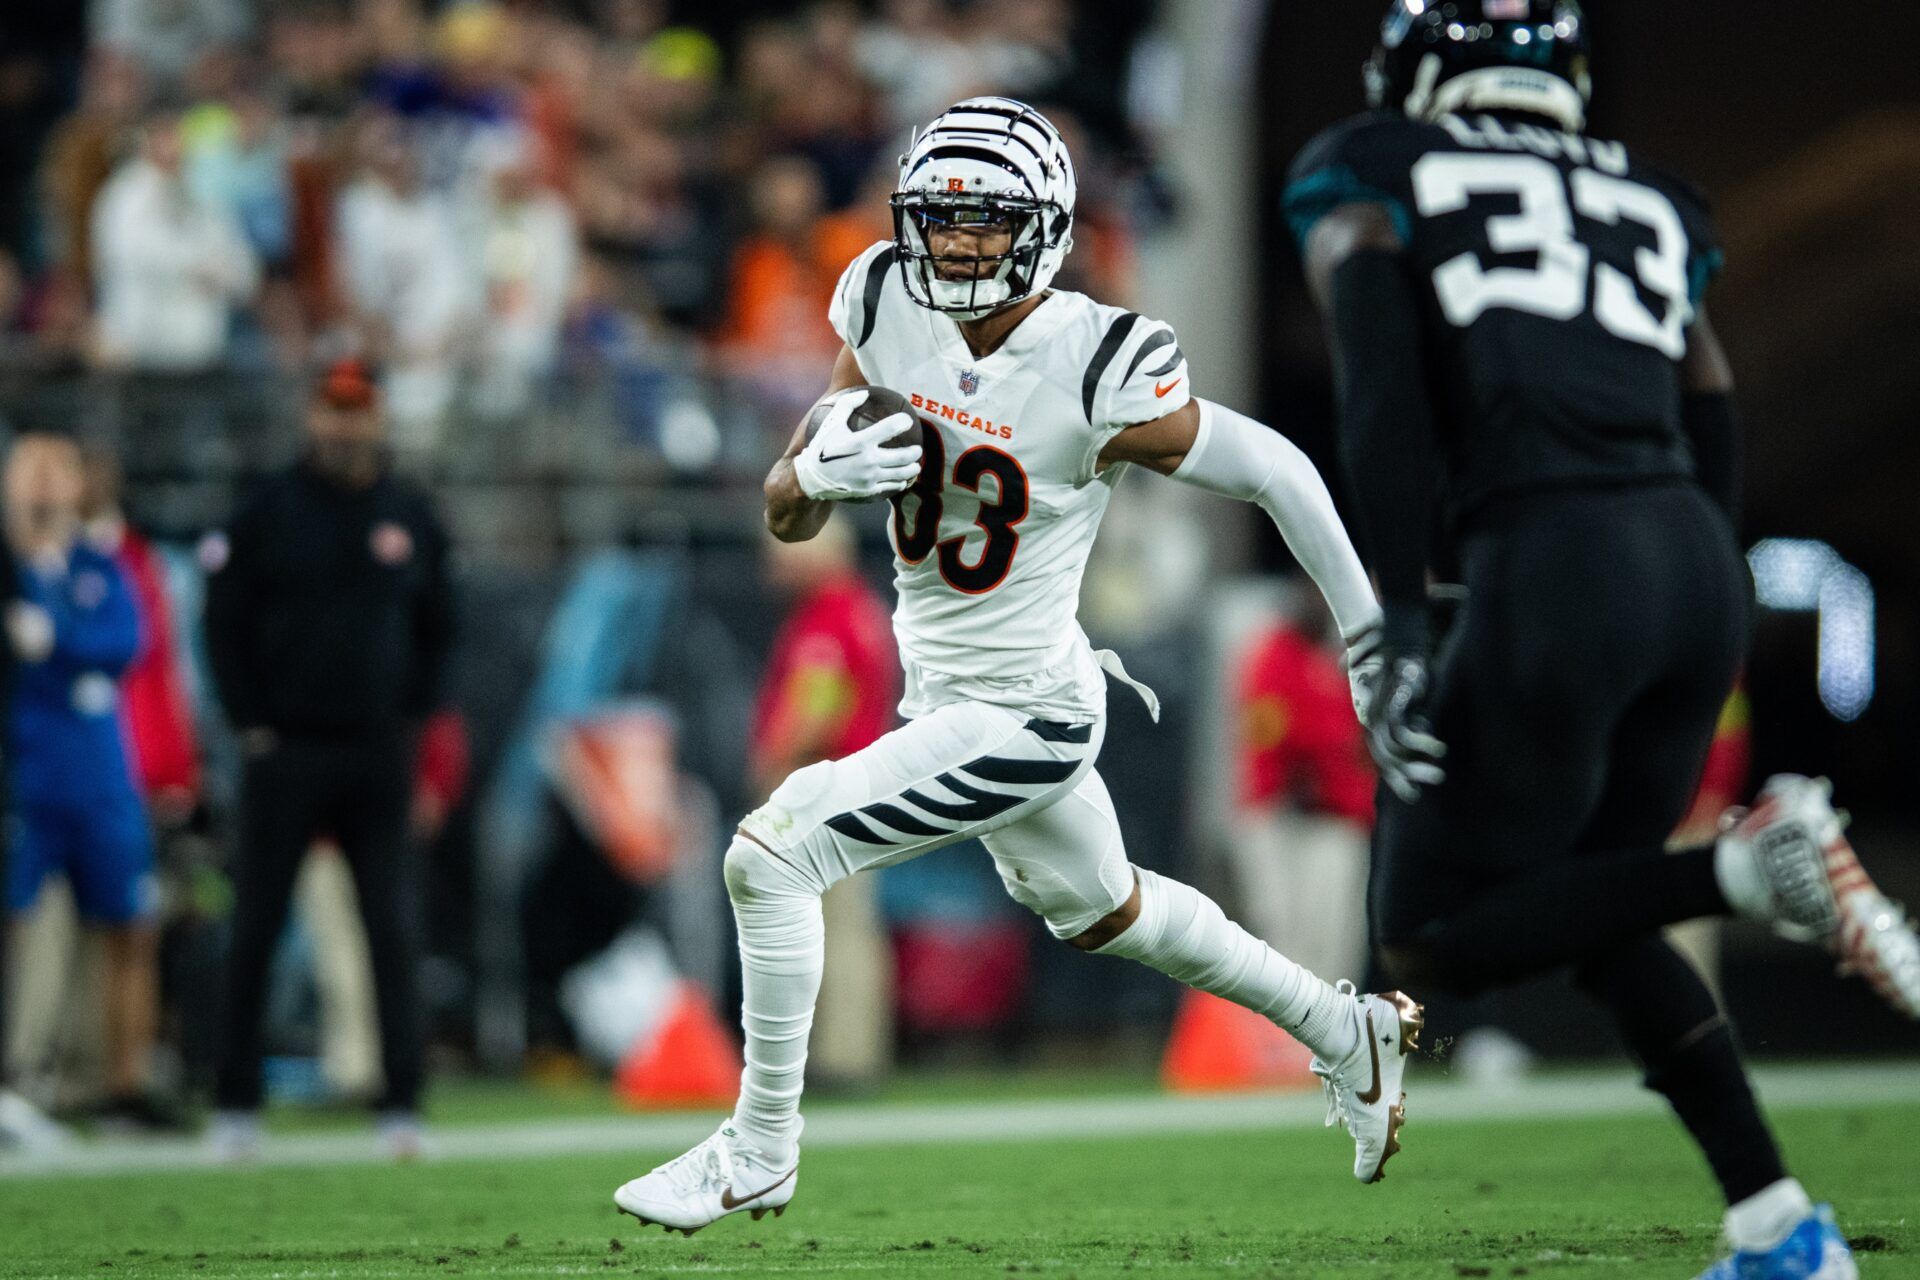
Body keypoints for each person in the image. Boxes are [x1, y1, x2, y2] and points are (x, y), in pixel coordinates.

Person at [614, 97, 1422, 1236]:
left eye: (984, 223)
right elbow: (785, 509)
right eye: (937, 220)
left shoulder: (1097, 359)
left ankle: (757, 1147)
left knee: (771, 852)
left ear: (1042, 226)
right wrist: (817, 479)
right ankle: (1347, 1029)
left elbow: (1277, 468)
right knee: (1110, 912)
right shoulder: (884, 296)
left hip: (1027, 710)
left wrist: (1365, 632)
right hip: (947, 694)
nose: (954, 246)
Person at [1281, 5, 1920, 1278]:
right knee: (1599, 904)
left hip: (1554, 553)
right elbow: (1712, 392)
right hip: (1687, 553)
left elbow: (1383, 386)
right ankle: (1780, 1226)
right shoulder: (1653, 194)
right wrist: (1698, 568)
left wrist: (1400, 614)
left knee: (1425, 935)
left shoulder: (1375, 165)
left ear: (1419, 74)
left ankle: (1742, 871)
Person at [203, 357, 456, 1160]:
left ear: (376, 415)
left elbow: (441, 626)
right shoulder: (267, 510)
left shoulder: (408, 511)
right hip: (287, 746)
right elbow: (222, 622)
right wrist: (250, 720)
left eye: (357, 408)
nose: (344, 423)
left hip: (377, 750)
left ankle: (401, 1103)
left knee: (390, 925)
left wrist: (413, 723)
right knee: (256, 925)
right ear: (314, 414)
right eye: (332, 408)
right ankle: (234, 1105)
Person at [2, 434, 175, 1128]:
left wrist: (57, 639)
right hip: (23, 771)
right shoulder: (11, 567)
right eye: (30, 470)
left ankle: (121, 1086)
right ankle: (16, 1075)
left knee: (129, 925)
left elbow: (127, 642)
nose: (44, 486)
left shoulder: (100, 564)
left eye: (57, 470)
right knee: (13, 925)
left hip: (100, 775)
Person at [751, 520, 898, 1092]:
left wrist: (767, 770)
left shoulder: (828, 619)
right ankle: (853, 1050)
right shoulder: (859, 609)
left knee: (833, 928)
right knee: (851, 925)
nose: (772, 566)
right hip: (855, 791)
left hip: (822, 796)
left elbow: (812, 714)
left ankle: (843, 1060)